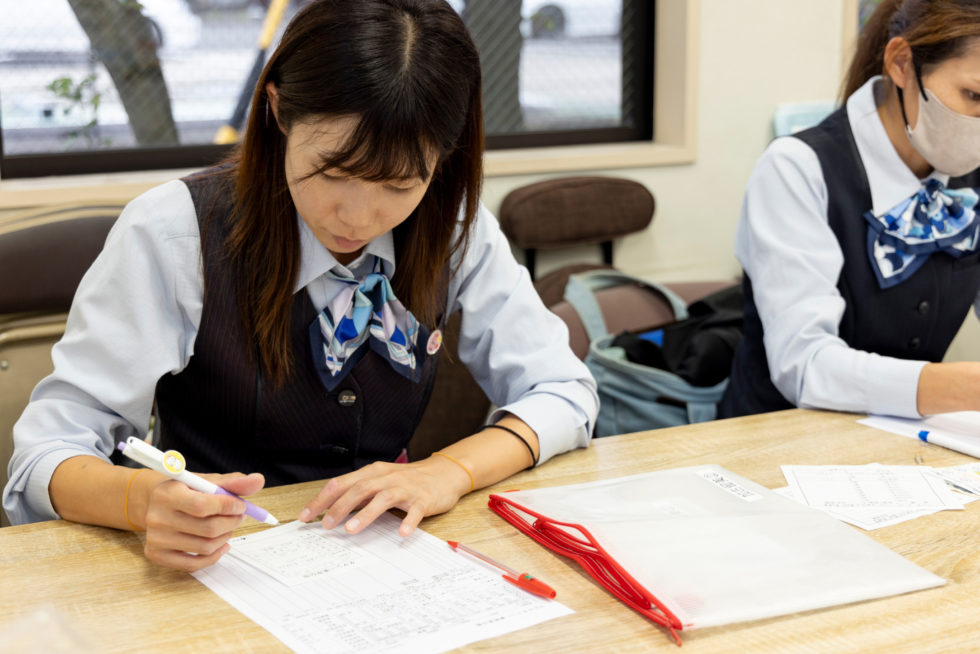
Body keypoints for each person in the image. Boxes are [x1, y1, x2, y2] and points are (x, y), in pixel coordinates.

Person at [3, 0, 598, 572]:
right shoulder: (175, 231)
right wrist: (140, 500)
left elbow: (565, 390)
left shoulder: (453, 227)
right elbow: (42, 458)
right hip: (213, 561)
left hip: (384, 558)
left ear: (443, 158)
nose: (358, 219)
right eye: (334, 171)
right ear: (278, 111)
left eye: (399, 184)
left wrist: (450, 471)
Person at [720, 0, 980, 419]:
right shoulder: (797, 168)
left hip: (909, 444)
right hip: (773, 441)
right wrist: (956, 388)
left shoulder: (970, 172)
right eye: (974, 95)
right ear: (901, 64)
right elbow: (804, 366)